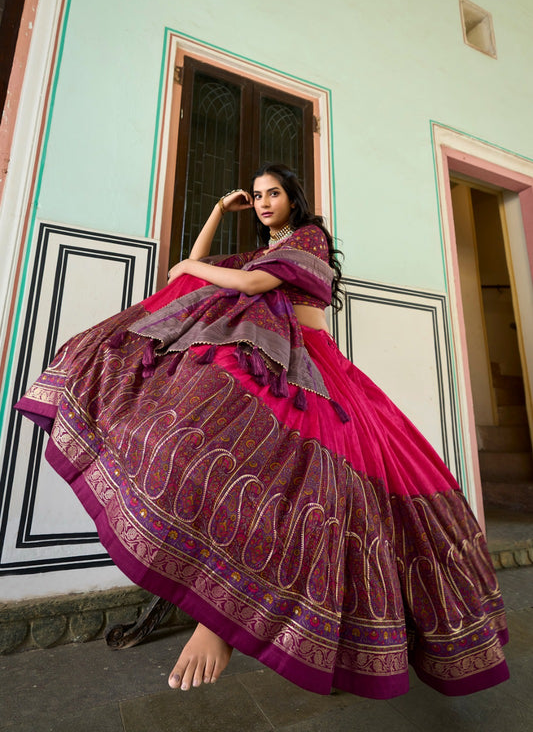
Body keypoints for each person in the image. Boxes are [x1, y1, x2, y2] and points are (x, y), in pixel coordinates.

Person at [15, 164, 509, 699]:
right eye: (256, 196)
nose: (265, 201)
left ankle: (221, 624)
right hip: (270, 352)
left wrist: (192, 266)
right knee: (197, 446)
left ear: (292, 198)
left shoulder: (308, 239)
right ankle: (215, 599)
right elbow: (191, 271)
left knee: (306, 488)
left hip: (310, 368)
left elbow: (248, 284)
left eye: (273, 193)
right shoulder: (264, 250)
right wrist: (213, 215)